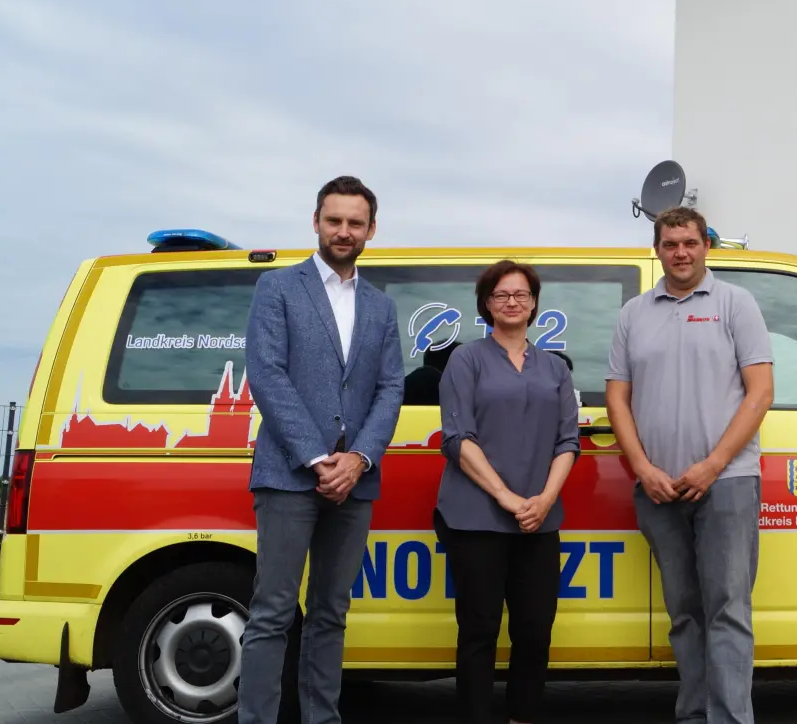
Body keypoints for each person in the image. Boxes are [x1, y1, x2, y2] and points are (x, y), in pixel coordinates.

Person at [239, 175, 405, 724]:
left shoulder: (381, 307)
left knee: (332, 614)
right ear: (316, 222)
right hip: (290, 475)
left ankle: (321, 718)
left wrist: (357, 459)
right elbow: (267, 375)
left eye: (355, 223)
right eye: (334, 220)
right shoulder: (278, 288)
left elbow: (390, 388)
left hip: (354, 481)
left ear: (371, 230)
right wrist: (317, 457)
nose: (343, 231)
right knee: (272, 613)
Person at [606, 207, 774, 724]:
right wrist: (642, 469)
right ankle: (694, 715)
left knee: (727, 611)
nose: (681, 252)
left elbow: (761, 391)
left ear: (706, 247)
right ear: (657, 249)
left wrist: (713, 465)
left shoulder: (735, 304)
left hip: (725, 483)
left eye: (690, 243)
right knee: (684, 613)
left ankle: (727, 718)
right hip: (658, 488)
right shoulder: (634, 313)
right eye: (671, 243)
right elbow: (617, 398)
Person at [433, 260, 580, 724]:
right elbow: (457, 438)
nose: (512, 302)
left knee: (535, 630)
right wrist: (509, 498)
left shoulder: (555, 367)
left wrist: (544, 499)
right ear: (487, 305)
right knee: (479, 630)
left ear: (534, 303)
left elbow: (568, 441)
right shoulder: (466, 359)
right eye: (501, 295)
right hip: (476, 516)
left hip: (539, 517)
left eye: (520, 294)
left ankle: (522, 716)